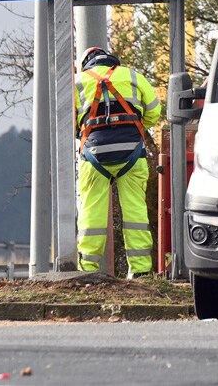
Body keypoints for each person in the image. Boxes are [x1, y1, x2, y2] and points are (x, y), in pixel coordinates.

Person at [74, 46, 162, 277]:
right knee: (135, 211)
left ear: (87, 64)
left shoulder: (77, 82)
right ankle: (141, 271)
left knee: (91, 212)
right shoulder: (132, 76)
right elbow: (154, 111)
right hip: (131, 152)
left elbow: (66, 121)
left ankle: (87, 269)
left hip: (94, 154)